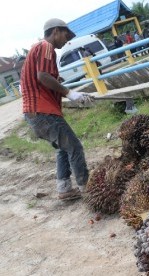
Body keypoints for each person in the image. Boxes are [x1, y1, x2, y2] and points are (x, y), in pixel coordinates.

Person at [20, 18, 93, 200]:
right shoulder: (46, 47)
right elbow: (43, 76)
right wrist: (69, 93)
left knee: (63, 148)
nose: (66, 40)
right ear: (55, 32)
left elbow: (44, 80)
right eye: (65, 35)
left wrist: (68, 89)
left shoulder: (36, 50)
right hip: (43, 112)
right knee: (75, 147)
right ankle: (88, 188)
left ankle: (64, 189)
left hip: (34, 113)